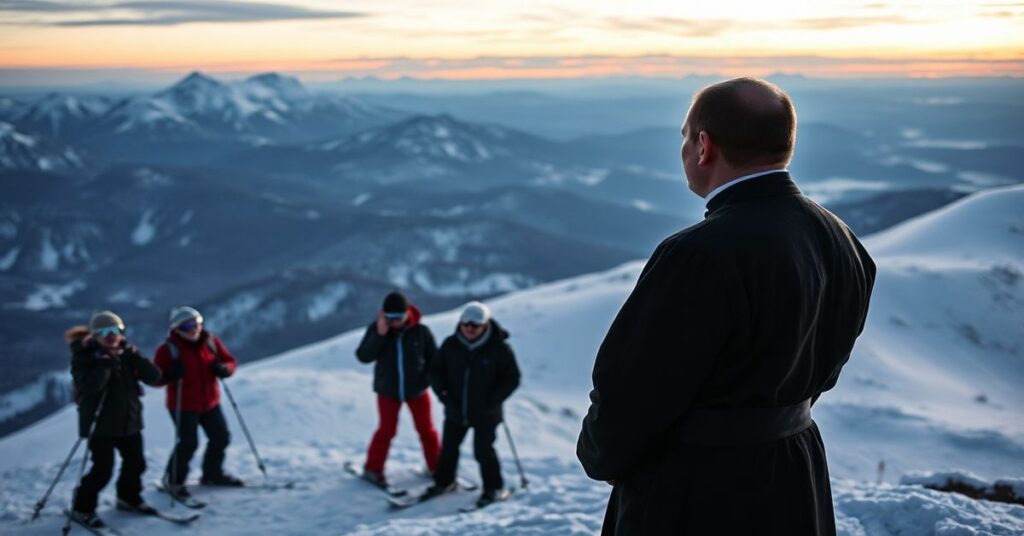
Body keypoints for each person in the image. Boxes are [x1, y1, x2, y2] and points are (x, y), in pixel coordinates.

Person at [576, 77, 876, 535]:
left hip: (698, 491)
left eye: (684, 136)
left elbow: (634, 391)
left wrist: (603, 455)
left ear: (703, 145)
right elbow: (825, 365)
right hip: (795, 477)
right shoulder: (839, 238)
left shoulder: (699, 253)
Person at [67, 311, 162, 529]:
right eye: (104, 332)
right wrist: (104, 366)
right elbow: (90, 387)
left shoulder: (127, 354)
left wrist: (135, 355)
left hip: (130, 421)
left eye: (116, 330)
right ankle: (82, 508)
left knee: (136, 464)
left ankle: (128, 497)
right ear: (94, 335)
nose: (112, 336)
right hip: (100, 425)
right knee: (102, 470)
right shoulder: (84, 356)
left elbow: (154, 376)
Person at [427, 301, 521, 508]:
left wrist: (494, 398)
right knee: (449, 449)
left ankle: (493, 488)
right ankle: (444, 482)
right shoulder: (451, 345)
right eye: (465, 323)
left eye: (475, 325)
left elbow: (512, 378)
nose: (469, 328)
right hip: (455, 409)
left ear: (485, 325)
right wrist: (442, 394)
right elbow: (435, 371)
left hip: (486, 413)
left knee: (483, 451)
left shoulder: (499, 349)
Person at [355, 291, 441, 486]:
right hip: (388, 391)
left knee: (427, 430)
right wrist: (379, 335)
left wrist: (425, 379)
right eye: (390, 317)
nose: (394, 322)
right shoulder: (377, 330)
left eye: (398, 317)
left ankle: (437, 468)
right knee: (386, 430)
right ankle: (373, 470)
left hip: (417, 391)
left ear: (407, 313)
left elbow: (434, 360)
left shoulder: (421, 331)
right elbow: (363, 356)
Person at [154, 306, 241, 499]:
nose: (194, 329)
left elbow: (230, 361)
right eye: (187, 326)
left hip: (210, 402)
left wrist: (224, 369)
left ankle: (212, 474)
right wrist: (170, 374)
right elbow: (155, 379)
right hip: (183, 406)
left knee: (221, 437)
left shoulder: (210, 341)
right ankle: (173, 481)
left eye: (197, 323)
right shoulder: (168, 350)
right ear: (176, 329)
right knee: (188, 443)